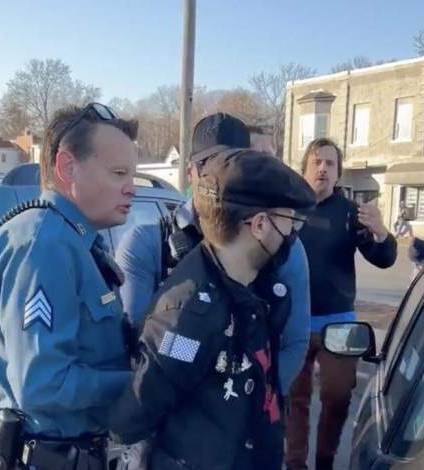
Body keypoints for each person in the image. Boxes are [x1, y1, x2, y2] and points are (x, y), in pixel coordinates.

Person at [109, 149, 316, 469]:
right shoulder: (189, 315)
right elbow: (135, 415)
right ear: (260, 225)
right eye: (289, 221)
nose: (291, 234)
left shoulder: (249, 290)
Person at [0, 103, 138, 470]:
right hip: (46, 456)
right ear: (67, 167)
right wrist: (138, 383)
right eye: (119, 173)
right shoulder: (45, 245)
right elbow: (42, 384)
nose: (132, 188)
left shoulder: (70, 241)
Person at [115, 113, 311, 397]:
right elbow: (143, 341)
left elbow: (294, 342)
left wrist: (250, 400)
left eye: (230, 165)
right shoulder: (148, 244)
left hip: (254, 410)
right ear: (190, 172)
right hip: (173, 410)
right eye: (205, 165)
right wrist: (210, 392)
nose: (217, 177)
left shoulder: (282, 245)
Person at [286, 138, 397, 470]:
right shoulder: (288, 208)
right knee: (294, 398)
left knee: (337, 396)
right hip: (293, 321)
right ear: (304, 169)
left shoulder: (351, 213)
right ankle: (294, 462)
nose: (323, 168)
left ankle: (325, 459)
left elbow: (384, 259)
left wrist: (380, 233)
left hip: (339, 324)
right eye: (317, 162)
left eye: (330, 163)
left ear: (338, 173)